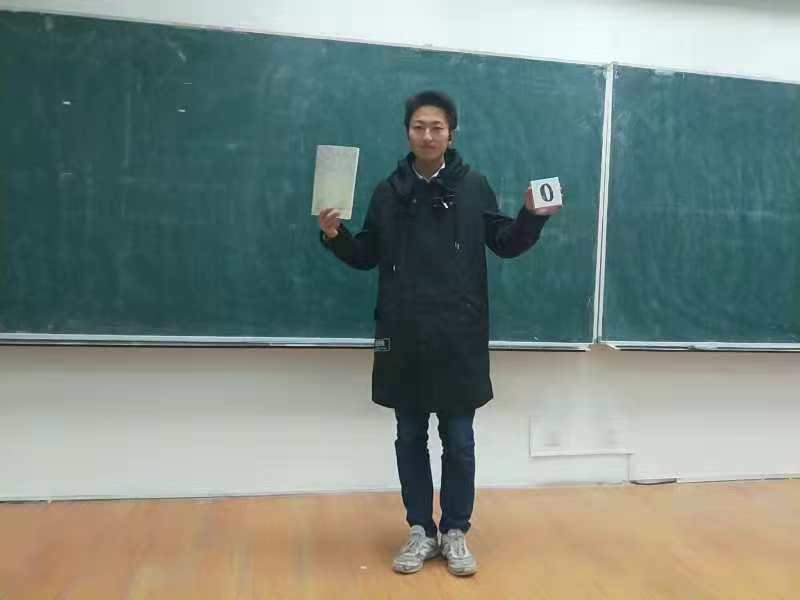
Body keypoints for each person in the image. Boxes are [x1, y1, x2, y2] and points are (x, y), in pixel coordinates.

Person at [317, 90, 560, 576]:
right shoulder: (388, 191)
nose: (427, 135)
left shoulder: (474, 186)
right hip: (403, 333)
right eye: (418, 127)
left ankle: (454, 531)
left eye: (437, 127)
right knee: (409, 437)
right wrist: (334, 235)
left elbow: (505, 242)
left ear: (451, 134)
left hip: (458, 335)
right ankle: (419, 531)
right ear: (407, 132)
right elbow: (366, 255)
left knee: (459, 439)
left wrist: (531, 216)